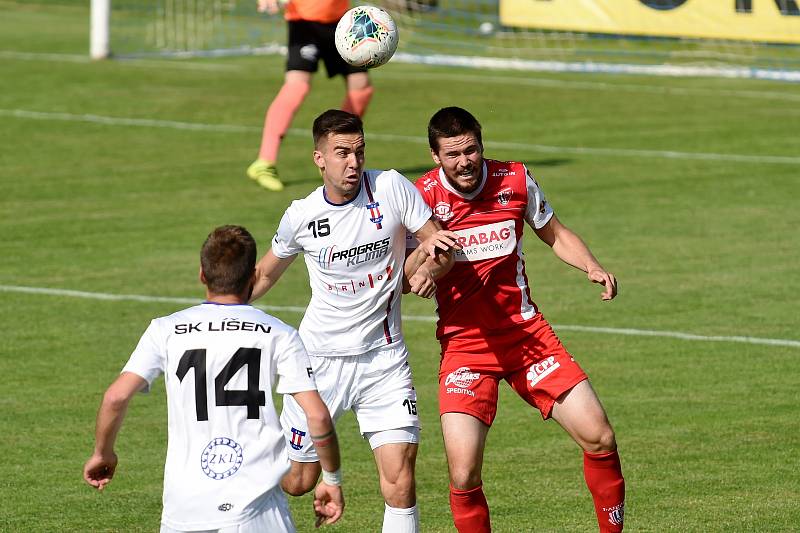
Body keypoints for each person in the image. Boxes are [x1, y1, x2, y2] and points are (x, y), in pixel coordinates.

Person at [411, 107, 625, 533]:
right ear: (435, 157)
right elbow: (403, 271)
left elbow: (557, 233)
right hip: (466, 347)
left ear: (481, 144)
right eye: (452, 155)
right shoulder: (420, 197)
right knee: (463, 473)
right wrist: (420, 272)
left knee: (598, 436)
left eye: (470, 150)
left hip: (526, 337)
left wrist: (591, 267)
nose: (464, 161)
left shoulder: (515, 178)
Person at [250, 109, 457, 532]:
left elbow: (438, 243)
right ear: (319, 158)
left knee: (400, 480)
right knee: (298, 482)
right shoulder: (302, 215)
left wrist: (427, 270)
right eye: (341, 153)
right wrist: (219, 310)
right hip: (318, 363)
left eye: (359, 151)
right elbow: (266, 273)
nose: (353, 162)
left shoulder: (392, 187)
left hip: (384, 360)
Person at [83, 225, 344, 533]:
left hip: (185, 510)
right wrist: (331, 479)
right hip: (258, 510)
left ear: (202, 275)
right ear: (252, 277)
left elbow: (115, 397)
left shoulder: (165, 330)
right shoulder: (280, 334)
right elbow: (316, 416)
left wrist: (103, 452)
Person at [247, 0, 374, 192]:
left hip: (342, 23)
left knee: (361, 85)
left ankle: (335, 153)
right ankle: (264, 162)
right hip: (304, 23)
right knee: (297, 85)